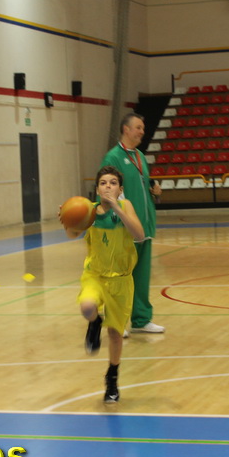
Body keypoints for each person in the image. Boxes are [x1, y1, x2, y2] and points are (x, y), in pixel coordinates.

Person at [63, 165, 144, 403]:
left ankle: (112, 377)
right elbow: (72, 234)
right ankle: (94, 321)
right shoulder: (88, 211)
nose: (108, 186)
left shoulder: (125, 207)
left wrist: (117, 207)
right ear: (97, 189)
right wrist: (68, 220)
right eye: (103, 183)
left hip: (121, 279)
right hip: (95, 275)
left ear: (120, 189)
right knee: (87, 307)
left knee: (115, 334)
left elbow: (139, 235)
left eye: (113, 183)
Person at [100, 113, 165, 334]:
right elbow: (107, 193)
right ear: (126, 129)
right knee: (120, 278)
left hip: (144, 227)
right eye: (138, 128)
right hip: (124, 228)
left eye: (143, 128)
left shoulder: (140, 156)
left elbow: (141, 187)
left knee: (141, 277)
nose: (142, 132)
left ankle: (141, 320)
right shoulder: (113, 157)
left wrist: (154, 191)